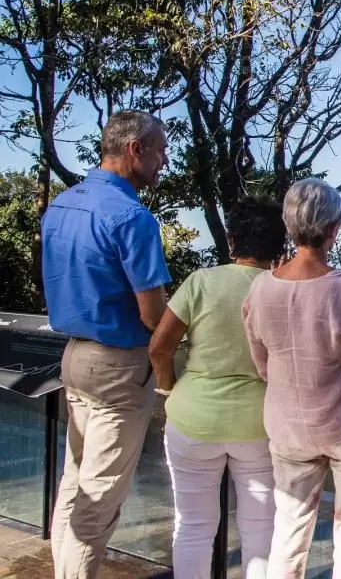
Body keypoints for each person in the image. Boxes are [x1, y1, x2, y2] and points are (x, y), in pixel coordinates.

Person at [42, 110, 171, 579]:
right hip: (119, 367)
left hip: (73, 357)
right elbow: (153, 315)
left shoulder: (62, 204)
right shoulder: (132, 218)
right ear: (135, 149)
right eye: (159, 151)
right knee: (100, 499)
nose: (163, 161)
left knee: (75, 485)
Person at [242, 178, 341, 579]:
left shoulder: (260, 289)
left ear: (289, 227)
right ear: (333, 229)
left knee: (288, 533)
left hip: (288, 427)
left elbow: (262, 365)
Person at [148, 196, 288, 579]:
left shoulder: (201, 282)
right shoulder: (282, 291)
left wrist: (168, 390)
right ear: (279, 246)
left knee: (193, 526)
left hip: (194, 419)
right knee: (261, 532)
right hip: (260, 426)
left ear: (232, 241)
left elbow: (159, 347)